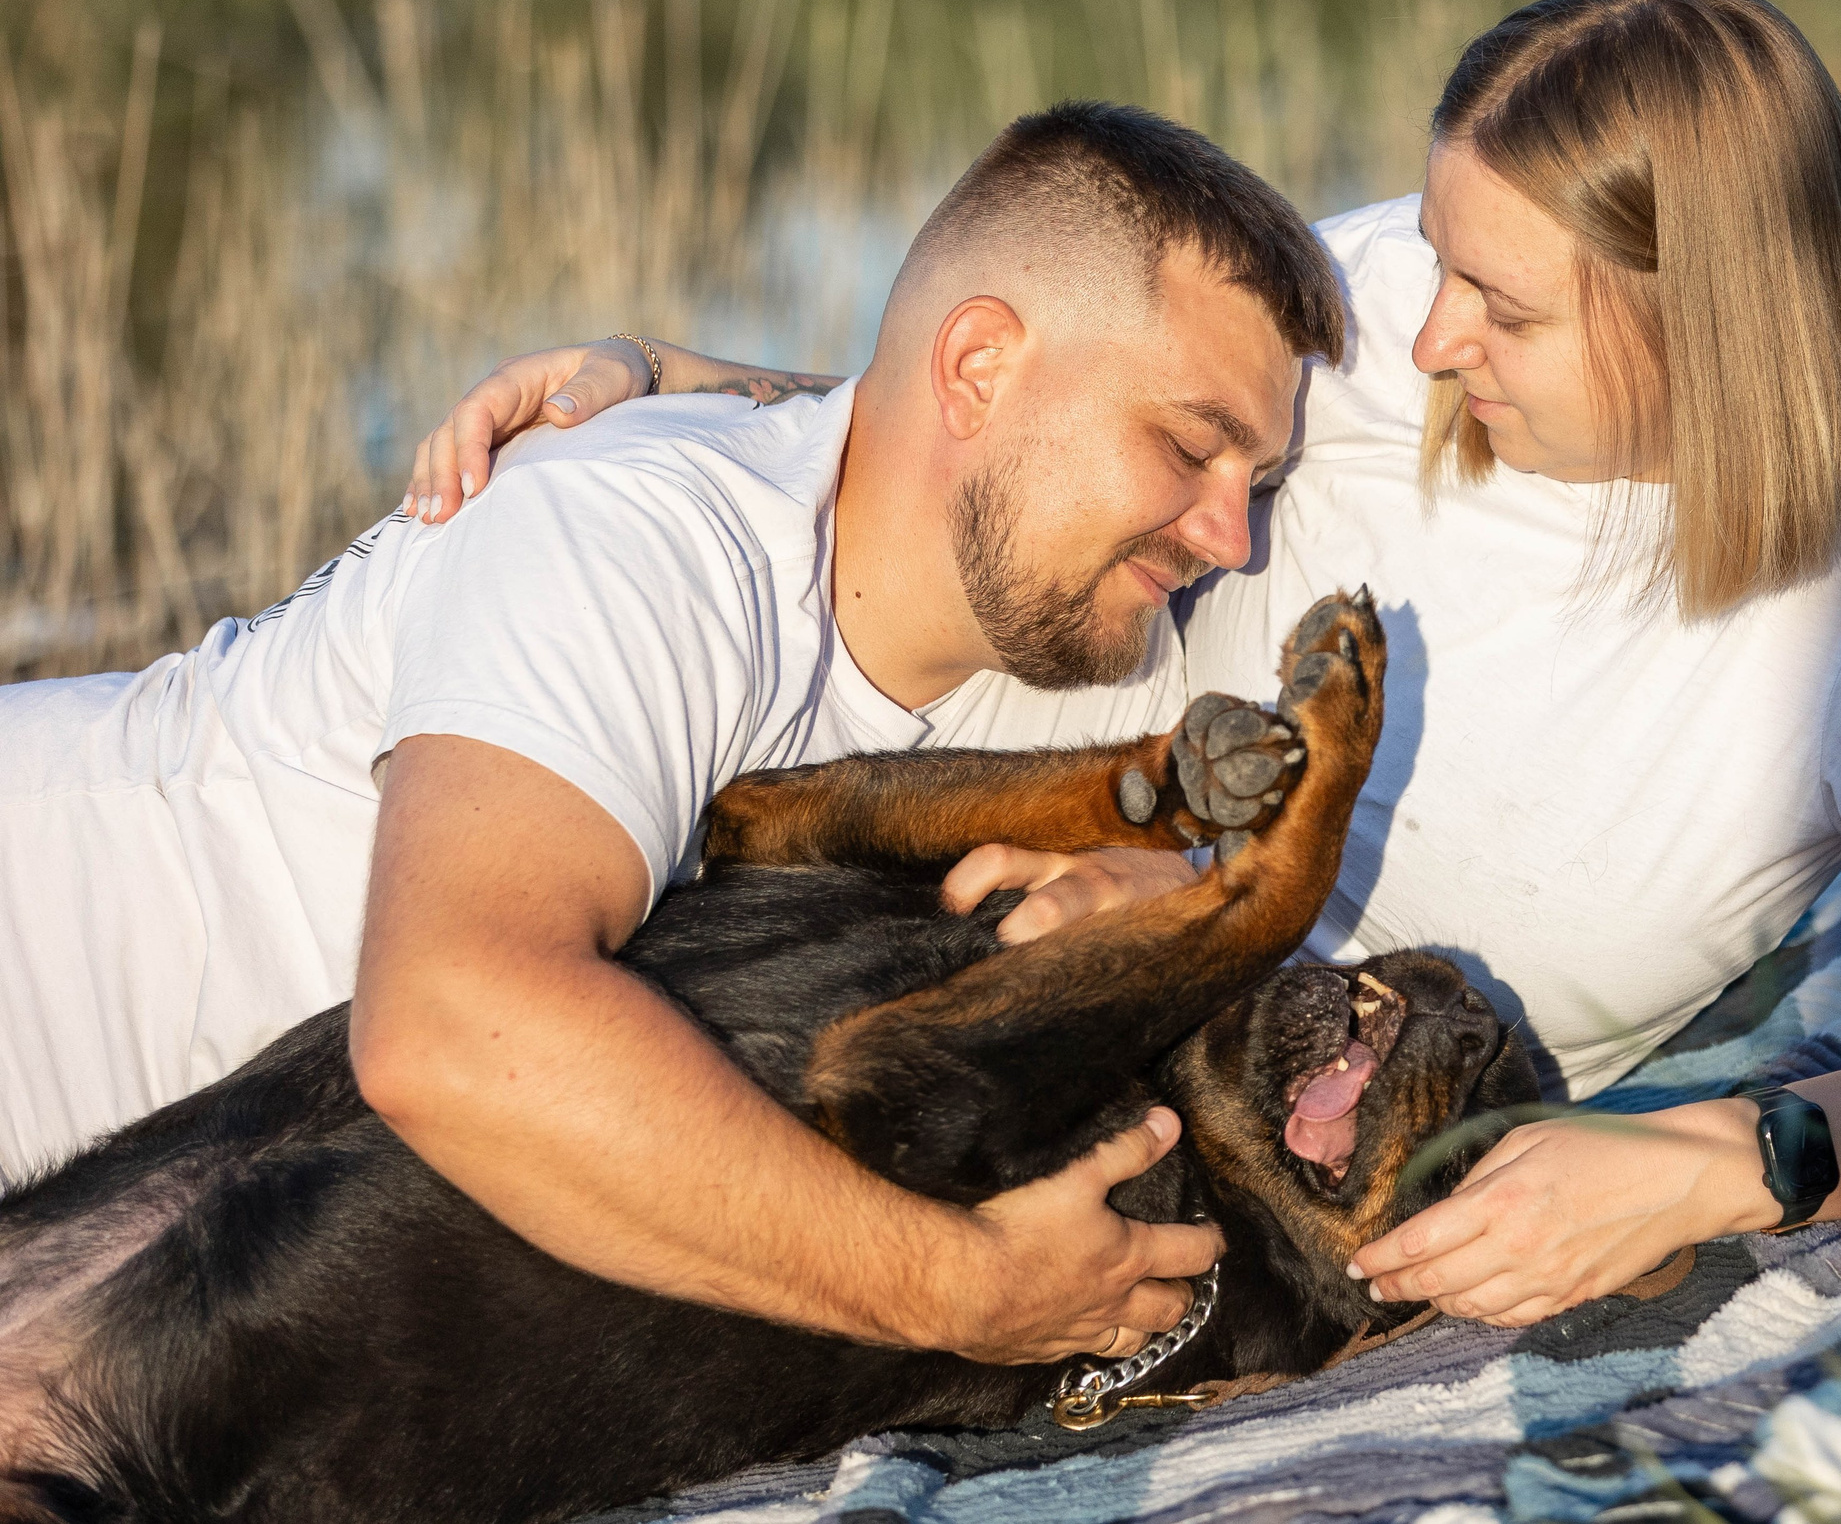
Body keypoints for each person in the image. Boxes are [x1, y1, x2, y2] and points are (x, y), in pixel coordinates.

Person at [424, 0, 1841, 1331]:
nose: (1429, 328)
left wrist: (1728, 1160)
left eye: (1504, 307)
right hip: (984, 903)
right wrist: (687, 381)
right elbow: (1049, 403)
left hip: (1277, 1148)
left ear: (1706, 316)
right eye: (1441, 255)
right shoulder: (1404, 300)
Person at [0, 101, 1345, 1366]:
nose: (1231, 536)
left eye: (1260, 479)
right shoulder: (638, 531)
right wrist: (959, 1289)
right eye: (1190, 448)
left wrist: (1153, 893)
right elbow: (449, 1028)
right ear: (979, 367)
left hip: (163, 1259)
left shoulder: (1094, 668)